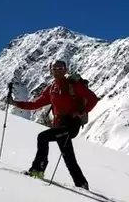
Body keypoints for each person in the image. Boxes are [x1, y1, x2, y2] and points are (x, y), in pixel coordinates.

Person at [9, 60, 98, 189]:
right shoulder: (52, 89)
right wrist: (15, 103)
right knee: (69, 159)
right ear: (51, 70)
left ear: (66, 70)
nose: (57, 71)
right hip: (59, 126)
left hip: (70, 126)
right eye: (54, 69)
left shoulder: (73, 85)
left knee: (42, 137)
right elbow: (36, 104)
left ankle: (37, 169)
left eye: (60, 68)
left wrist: (80, 112)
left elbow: (93, 99)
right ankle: (82, 184)